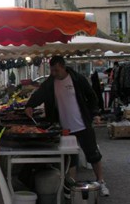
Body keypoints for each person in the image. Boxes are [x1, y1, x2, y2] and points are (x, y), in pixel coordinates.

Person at [25, 56, 109, 196]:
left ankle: (101, 181)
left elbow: (92, 96)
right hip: (64, 128)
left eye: (56, 70)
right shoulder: (51, 82)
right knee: (70, 159)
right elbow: (39, 94)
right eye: (52, 70)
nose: (54, 73)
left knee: (93, 154)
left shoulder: (77, 79)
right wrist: (30, 105)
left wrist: (95, 114)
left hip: (82, 124)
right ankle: (72, 186)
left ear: (63, 67)